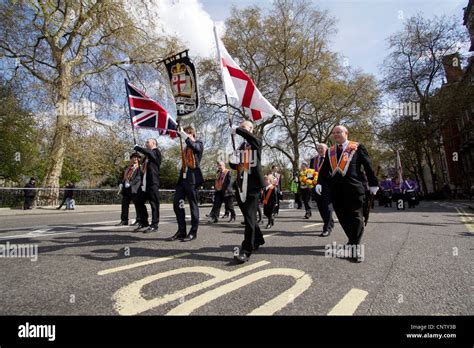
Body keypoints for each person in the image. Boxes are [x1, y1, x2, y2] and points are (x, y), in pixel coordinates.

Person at [316, 125, 378, 262]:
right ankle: (352, 239)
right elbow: (324, 169)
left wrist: (373, 183)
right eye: (334, 133)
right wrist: (319, 182)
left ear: (346, 133)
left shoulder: (357, 147)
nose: (336, 135)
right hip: (336, 191)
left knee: (355, 217)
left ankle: (356, 249)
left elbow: (368, 166)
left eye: (339, 132)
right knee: (343, 217)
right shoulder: (330, 151)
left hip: (354, 189)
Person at [229, 120, 265, 264]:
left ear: (252, 129)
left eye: (245, 127)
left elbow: (251, 138)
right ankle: (259, 239)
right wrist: (233, 158)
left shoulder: (256, 141)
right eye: (241, 126)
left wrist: (237, 129)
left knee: (249, 218)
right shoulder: (241, 146)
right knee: (248, 216)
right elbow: (233, 165)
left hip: (253, 185)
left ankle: (246, 250)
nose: (242, 129)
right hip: (240, 184)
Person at [168, 126, 204, 242]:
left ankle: (193, 232)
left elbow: (194, 147)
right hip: (182, 180)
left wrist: (183, 134)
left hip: (193, 180)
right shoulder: (185, 149)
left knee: (193, 206)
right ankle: (181, 231)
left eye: (185, 133)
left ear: (191, 134)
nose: (182, 135)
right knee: (177, 204)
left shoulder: (198, 143)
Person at [134, 138, 162, 233]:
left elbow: (150, 153)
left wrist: (138, 148)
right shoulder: (146, 157)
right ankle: (144, 222)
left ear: (153, 143)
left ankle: (154, 225)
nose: (146, 143)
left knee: (154, 204)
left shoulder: (156, 152)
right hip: (144, 183)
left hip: (152, 183)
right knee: (138, 201)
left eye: (147, 142)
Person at [313, 143, 334, 237]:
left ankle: (326, 228)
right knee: (321, 208)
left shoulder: (331, 159)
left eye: (322, 148)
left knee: (327, 207)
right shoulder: (314, 160)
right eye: (318, 148)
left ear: (326, 149)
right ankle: (330, 222)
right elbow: (310, 173)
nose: (320, 150)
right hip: (316, 187)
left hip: (328, 187)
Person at [117, 153, 141, 225]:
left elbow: (138, 178)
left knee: (137, 205)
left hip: (134, 189)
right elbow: (125, 177)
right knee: (124, 205)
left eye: (137, 158)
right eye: (134, 157)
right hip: (126, 189)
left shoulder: (140, 167)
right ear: (131, 159)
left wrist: (130, 184)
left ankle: (139, 220)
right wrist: (122, 183)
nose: (136, 159)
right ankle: (124, 220)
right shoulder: (128, 168)